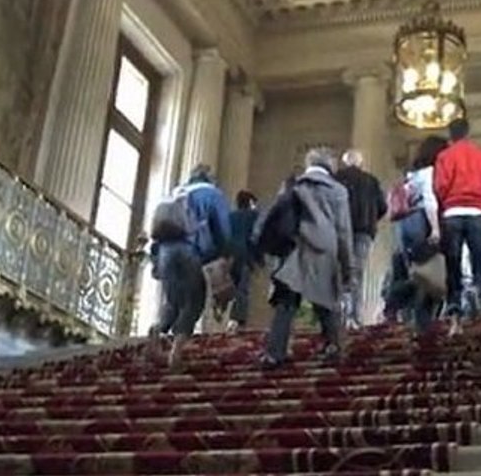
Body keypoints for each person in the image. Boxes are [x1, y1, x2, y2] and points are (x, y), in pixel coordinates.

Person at [261, 148, 352, 367]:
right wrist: (347, 267)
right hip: (324, 249)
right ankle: (333, 346)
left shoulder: (293, 186)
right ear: (330, 165)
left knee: (286, 304)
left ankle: (275, 353)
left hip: (295, 248)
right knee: (326, 301)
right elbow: (343, 231)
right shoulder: (338, 190)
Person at [149, 164, 231, 369]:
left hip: (165, 251)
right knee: (194, 301)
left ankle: (158, 329)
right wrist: (223, 256)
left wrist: (156, 260)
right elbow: (223, 230)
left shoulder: (176, 193)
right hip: (189, 251)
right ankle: (176, 352)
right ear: (210, 178)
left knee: (173, 300)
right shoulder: (212, 194)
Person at [434, 118, 481, 327]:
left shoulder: (444, 157)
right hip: (476, 211)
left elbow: (440, 185)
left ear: (451, 135)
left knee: (453, 261)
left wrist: (447, 200)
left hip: (452, 212)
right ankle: (478, 292)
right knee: (479, 258)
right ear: (467, 133)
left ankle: (454, 302)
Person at [394, 135, 449, 333]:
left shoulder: (410, 175)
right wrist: (435, 228)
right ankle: (426, 324)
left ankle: (416, 320)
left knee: (419, 275)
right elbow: (429, 200)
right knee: (432, 274)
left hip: (405, 226)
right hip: (422, 222)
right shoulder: (430, 173)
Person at [335, 149, 388, 329]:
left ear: (345, 162)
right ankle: (354, 317)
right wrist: (371, 219)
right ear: (360, 163)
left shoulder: (337, 178)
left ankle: (340, 317)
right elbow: (383, 207)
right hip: (364, 232)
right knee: (357, 272)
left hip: (341, 231)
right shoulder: (371, 181)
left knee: (341, 272)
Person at [226, 190, 259, 332]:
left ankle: (231, 317)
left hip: (230, 255)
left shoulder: (229, 216)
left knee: (233, 287)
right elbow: (256, 236)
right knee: (243, 289)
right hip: (245, 255)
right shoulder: (253, 216)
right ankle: (237, 321)